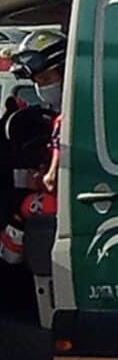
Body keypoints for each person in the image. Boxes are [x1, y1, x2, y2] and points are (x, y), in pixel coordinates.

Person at [0, 30, 65, 265]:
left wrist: (40, 178)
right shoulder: (58, 117)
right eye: (37, 82)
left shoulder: (64, 121)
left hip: (70, 205)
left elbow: (52, 180)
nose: (41, 88)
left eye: (46, 80)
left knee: (26, 207)